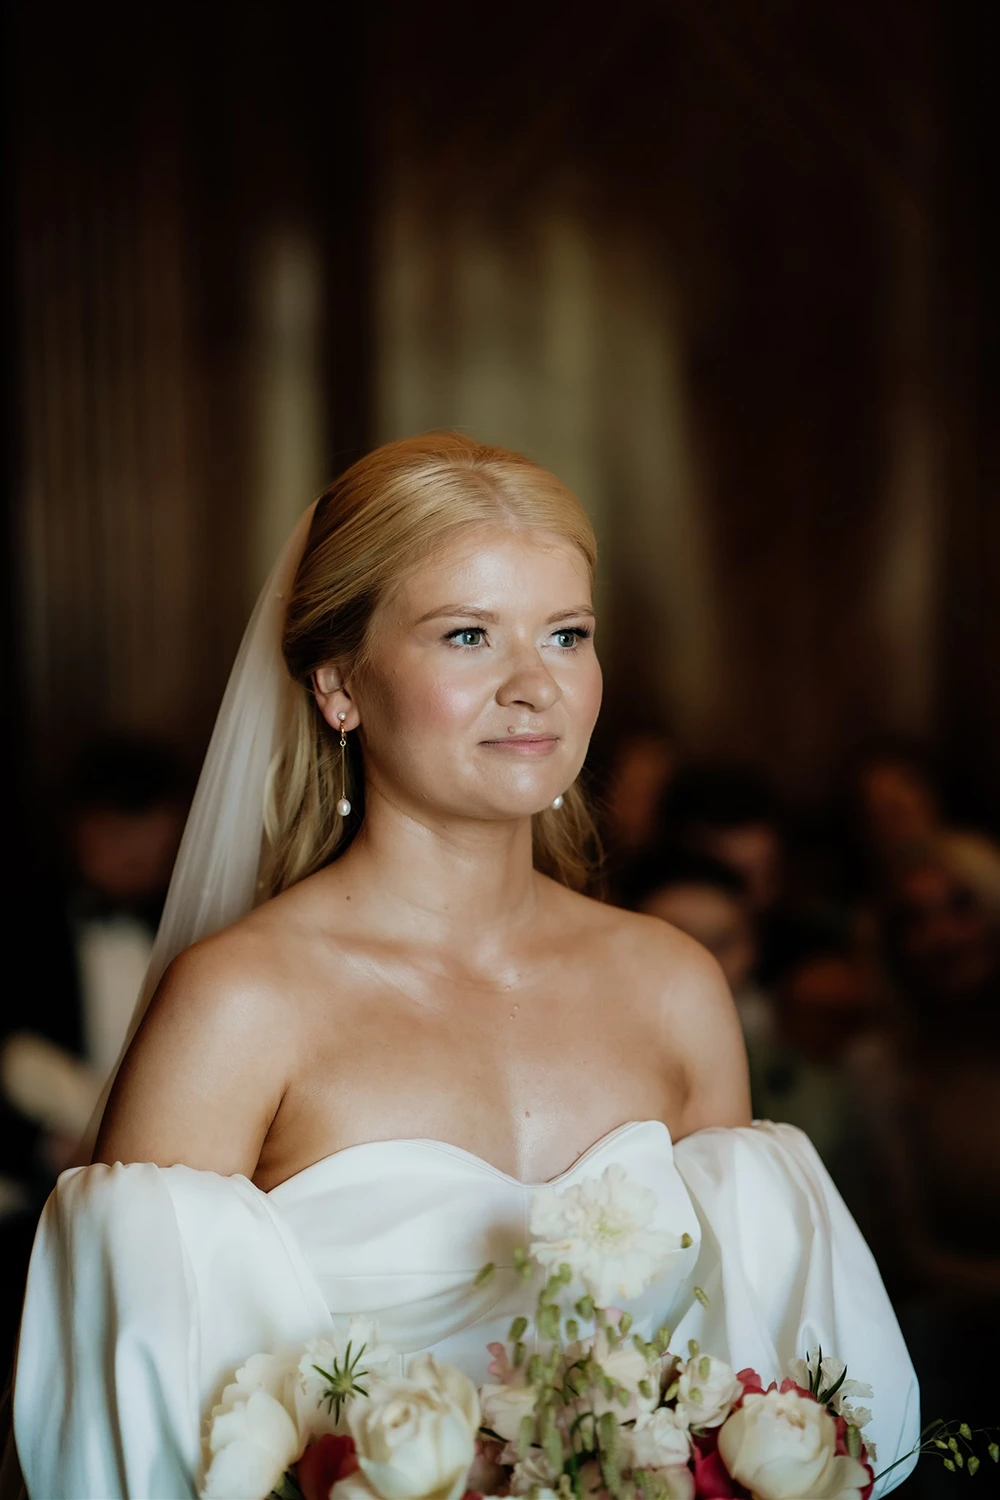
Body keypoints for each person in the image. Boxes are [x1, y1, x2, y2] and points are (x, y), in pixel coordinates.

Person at [8, 434, 919, 1499]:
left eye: (566, 635)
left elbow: (775, 1388)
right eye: (469, 634)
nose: (534, 687)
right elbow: (136, 1448)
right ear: (339, 684)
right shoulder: (241, 1003)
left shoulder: (674, 985)